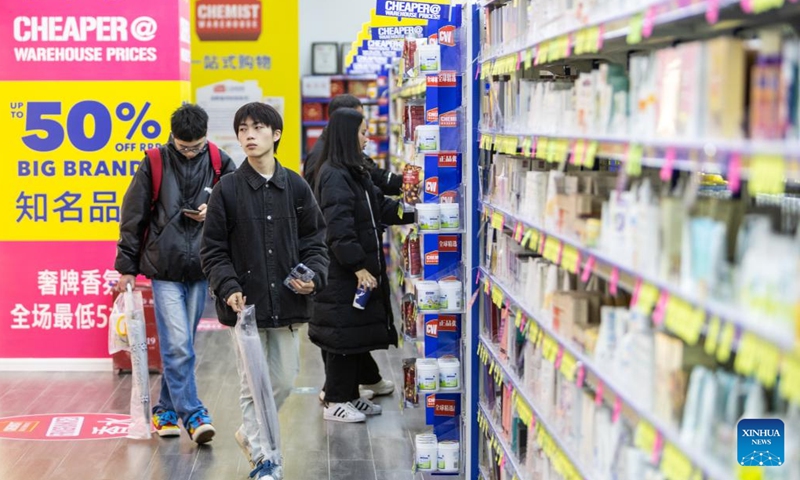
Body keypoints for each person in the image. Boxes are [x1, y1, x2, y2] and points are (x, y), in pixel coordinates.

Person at [201, 102, 329, 479]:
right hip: (245, 307)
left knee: (285, 379)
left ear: (275, 134)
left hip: (289, 302)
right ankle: (265, 460)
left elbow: (316, 241)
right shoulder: (227, 190)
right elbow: (213, 250)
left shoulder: (296, 186)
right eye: (242, 129)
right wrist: (229, 287)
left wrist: (315, 275)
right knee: (252, 382)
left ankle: (250, 433)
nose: (249, 135)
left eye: (257, 127)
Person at [115, 104, 235, 444]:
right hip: (163, 266)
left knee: (181, 343)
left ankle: (165, 409)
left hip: (201, 265)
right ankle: (193, 412)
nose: (190, 152)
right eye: (184, 147)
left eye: (196, 146)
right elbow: (133, 215)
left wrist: (214, 212)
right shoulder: (154, 162)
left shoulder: (219, 161)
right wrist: (126, 266)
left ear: (205, 137)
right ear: (172, 137)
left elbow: (238, 207)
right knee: (179, 344)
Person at [309, 108, 414, 423]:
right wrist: (357, 267)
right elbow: (338, 227)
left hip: (357, 269)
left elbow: (380, 207)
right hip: (343, 273)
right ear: (347, 135)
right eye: (363, 132)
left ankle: (351, 395)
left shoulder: (356, 171)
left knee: (353, 335)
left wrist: (417, 212)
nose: (368, 138)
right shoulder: (333, 174)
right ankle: (336, 401)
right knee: (342, 335)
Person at [304, 94, 402, 196]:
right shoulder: (319, 156)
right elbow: (317, 201)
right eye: (357, 118)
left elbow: (372, 173)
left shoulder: (346, 146)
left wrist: (403, 182)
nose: (361, 122)